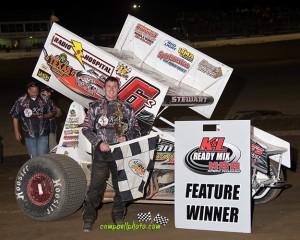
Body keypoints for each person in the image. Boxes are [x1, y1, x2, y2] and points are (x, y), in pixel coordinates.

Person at [81, 76, 141, 232]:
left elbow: (136, 130)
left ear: (118, 88)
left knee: (121, 187)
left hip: (120, 152)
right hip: (101, 152)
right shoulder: (94, 107)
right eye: (109, 86)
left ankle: (118, 215)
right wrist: (99, 143)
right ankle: (88, 217)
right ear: (104, 88)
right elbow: (86, 128)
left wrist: (126, 137)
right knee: (95, 188)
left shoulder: (127, 107)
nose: (112, 89)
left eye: (114, 86)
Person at [9, 81, 57, 158]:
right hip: (28, 133)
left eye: (37, 92)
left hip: (43, 132)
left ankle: (44, 169)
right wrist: (16, 131)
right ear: (28, 90)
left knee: (43, 155)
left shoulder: (45, 99)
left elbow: (53, 111)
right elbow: (15, 116)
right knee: (33, 156)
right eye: (33, 92)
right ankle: (36, 169)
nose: (35, 94)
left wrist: (45, 115)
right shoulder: (21, 101)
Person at [40, 85, 62, 150]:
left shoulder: (51, 101)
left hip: (52, 128)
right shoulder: (36, 102)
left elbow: (59, 114)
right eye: (48, 92)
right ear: (42, 92)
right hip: (41, 130)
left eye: (50, 92)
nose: (50, 94)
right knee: (46, 148)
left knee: (52, 146)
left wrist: (58, 111)